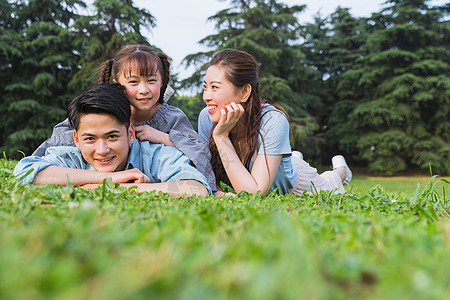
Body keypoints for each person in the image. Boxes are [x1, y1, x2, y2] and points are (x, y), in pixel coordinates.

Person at [32, 44, 216, 192]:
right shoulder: (99, 113)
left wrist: (164, 138)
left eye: (151, 81)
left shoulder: (171, 117)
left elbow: (199, 153)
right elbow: (56, 144)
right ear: (117, 85)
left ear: (162, 82)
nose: (144, 90)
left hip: (161, 176)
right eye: (134, 82)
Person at [198, 49, 352, 196]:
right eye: (205, 87)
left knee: (331, 180)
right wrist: (217, 192)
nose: (206, 96)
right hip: (273, 165)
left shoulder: (273, 120)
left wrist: (221, 137)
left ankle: (341, 170)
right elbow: (207, 172)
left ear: (244, 92)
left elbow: (254, 192)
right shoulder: (207, 117)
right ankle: (291, 159)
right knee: (287, 162)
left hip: (297, 186)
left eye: (215, 87)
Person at [14, 83, 211, 197]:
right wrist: (108, 180)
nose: (102, 150)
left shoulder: (157, 155)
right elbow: (25, 172)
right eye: (90, 139)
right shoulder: (71, 157)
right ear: (76, 139)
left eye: (112, 137)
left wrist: (123, 188)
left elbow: (197, 188)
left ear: (130, 133)